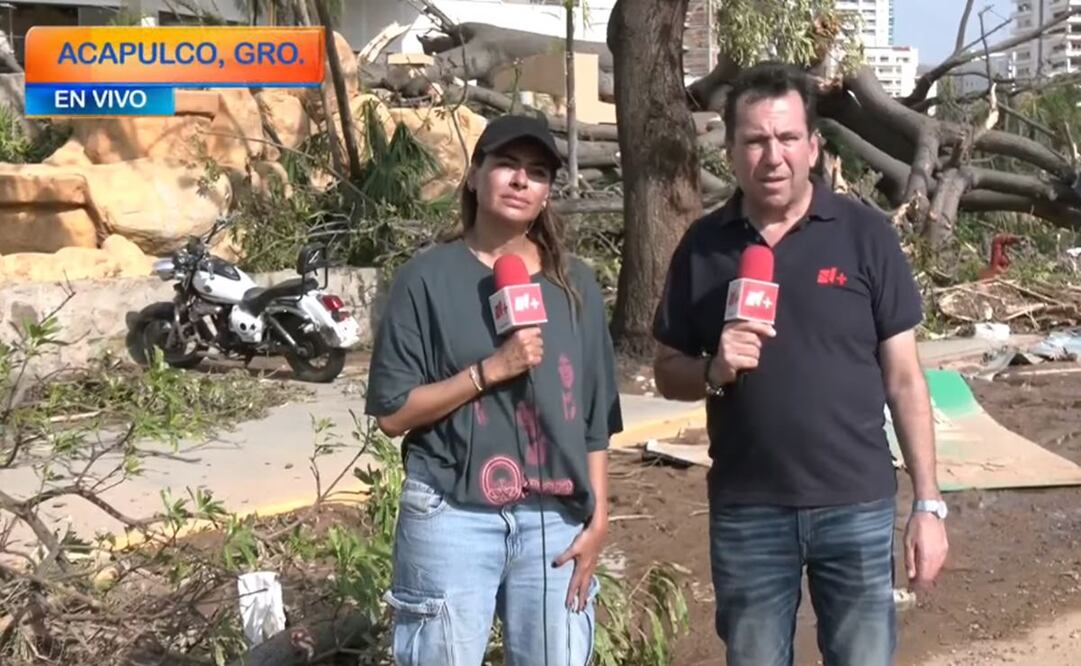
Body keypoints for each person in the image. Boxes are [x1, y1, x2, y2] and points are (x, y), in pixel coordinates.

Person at [651, 61, 949, 666]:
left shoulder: (866, 236)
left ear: (813, 146)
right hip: (748, 510)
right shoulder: (703, 246)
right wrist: (712, 371)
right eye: (756, 140)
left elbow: (905, 378)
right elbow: (664, 370)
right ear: (731, 151)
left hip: (856, 507)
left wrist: (927, 504)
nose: (772, 156)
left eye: (787, 138)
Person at [364, 114, 623, 666]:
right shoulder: (425, 280)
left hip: (555, 521)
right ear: (475, 176)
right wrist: (487, 372)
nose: (521, 180)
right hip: (453, 515)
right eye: (506, 164)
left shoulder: (574, 284)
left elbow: (596, 418)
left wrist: (598, 517)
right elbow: (391, 414)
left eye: (536, 172)